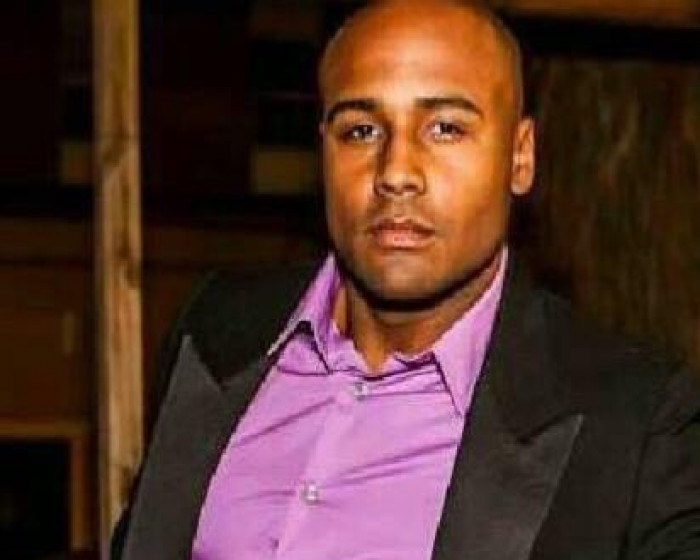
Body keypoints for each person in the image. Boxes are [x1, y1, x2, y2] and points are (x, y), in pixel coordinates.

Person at [112, 1, 700, 558]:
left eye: (444, 128)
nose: (396, 172)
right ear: (323, 152)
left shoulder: (634, 420)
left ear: (520, 157)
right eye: (361, 131)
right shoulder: (217, 329)